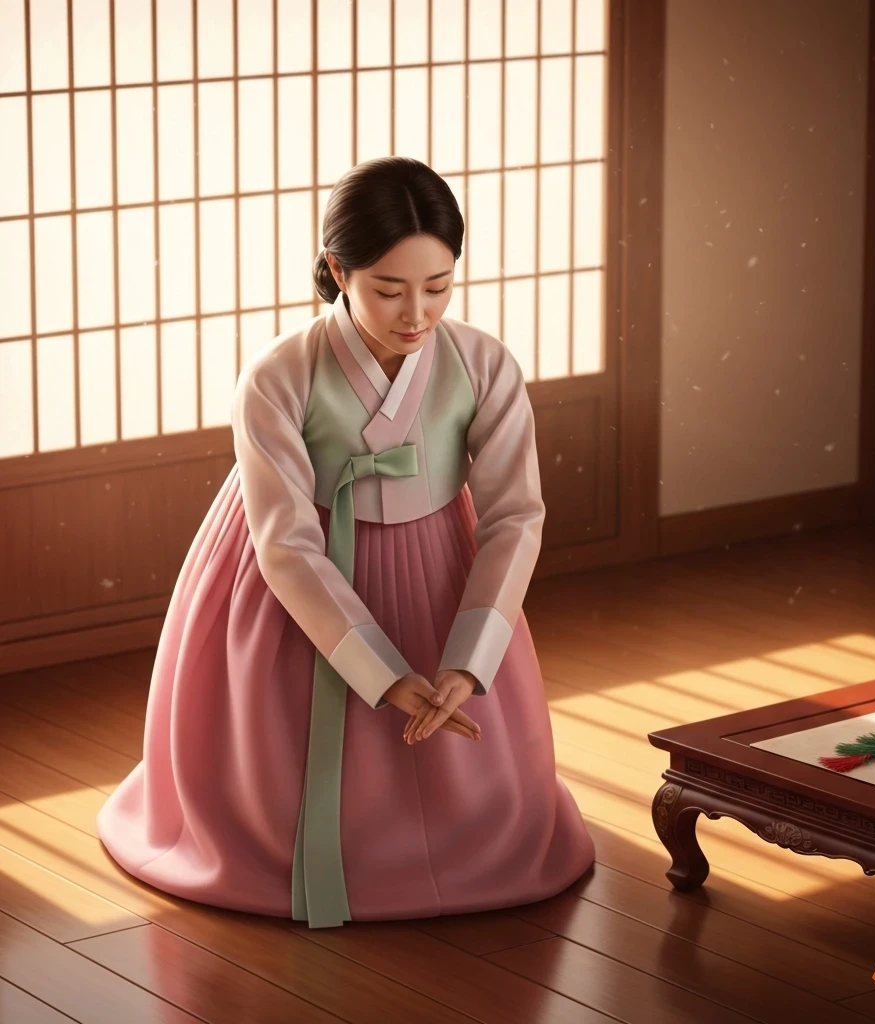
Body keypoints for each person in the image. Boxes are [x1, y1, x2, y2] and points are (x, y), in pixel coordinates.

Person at [97, 156, 596, 927]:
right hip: (292, 574)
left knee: (463, 766)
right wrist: (381, 670)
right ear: (337, 270)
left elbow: (513, 517)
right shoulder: (279, 374)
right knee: (279, 766)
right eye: (389, 290)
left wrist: (466, 661)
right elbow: (286, 542)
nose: (417, 313)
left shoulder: (484, 365)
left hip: (437, 567)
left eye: (439, 286)